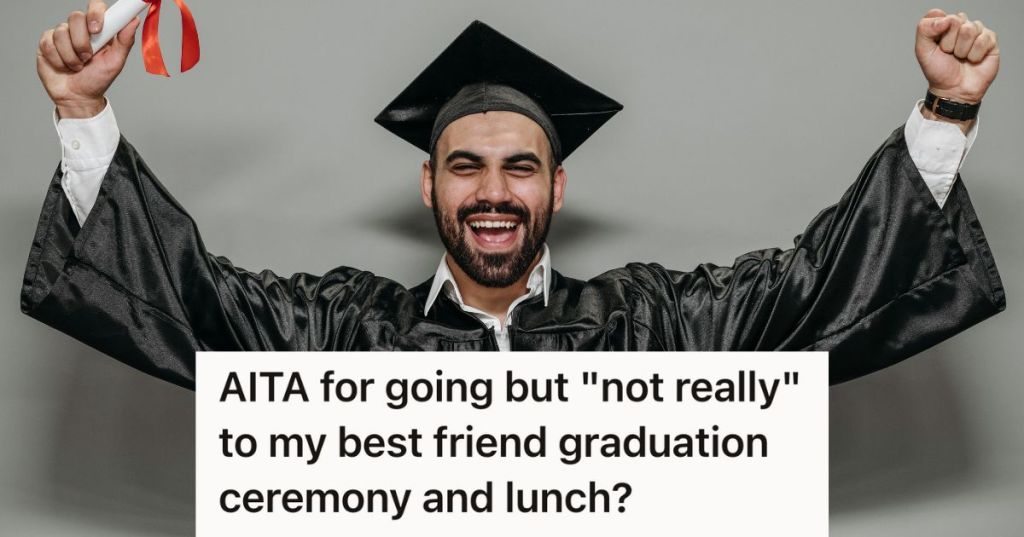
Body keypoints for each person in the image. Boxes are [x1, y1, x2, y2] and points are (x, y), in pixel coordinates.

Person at [24, 3, 1004, 390]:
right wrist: (82, 115)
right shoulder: (338, 333)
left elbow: (820, 291)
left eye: (520, 166)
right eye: (465, 166)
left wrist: (943, 111)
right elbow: (190, 310)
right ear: (428, 184)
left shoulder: (655, 323)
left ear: (558, 185)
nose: (493, 193)